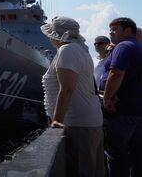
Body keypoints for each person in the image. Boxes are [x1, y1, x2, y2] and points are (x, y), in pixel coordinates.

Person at [40, 16, 104, 177]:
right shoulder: (81, 50)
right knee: (91, 169)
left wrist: (57, 121)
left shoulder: (67, 50)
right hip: (89, 120)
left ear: (56, 35)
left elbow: (67, 89)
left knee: (81, 170)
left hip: (77, 122)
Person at [102, 17, 142, 177]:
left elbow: (117, 73)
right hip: (136, 110)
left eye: (115, 29)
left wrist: (106, 97)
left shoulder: (124, 46)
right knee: (137, 154)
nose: (111, 32)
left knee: (117, 153)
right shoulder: (138, 47)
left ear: (128, 30)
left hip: (122, 110)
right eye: (110, 29)